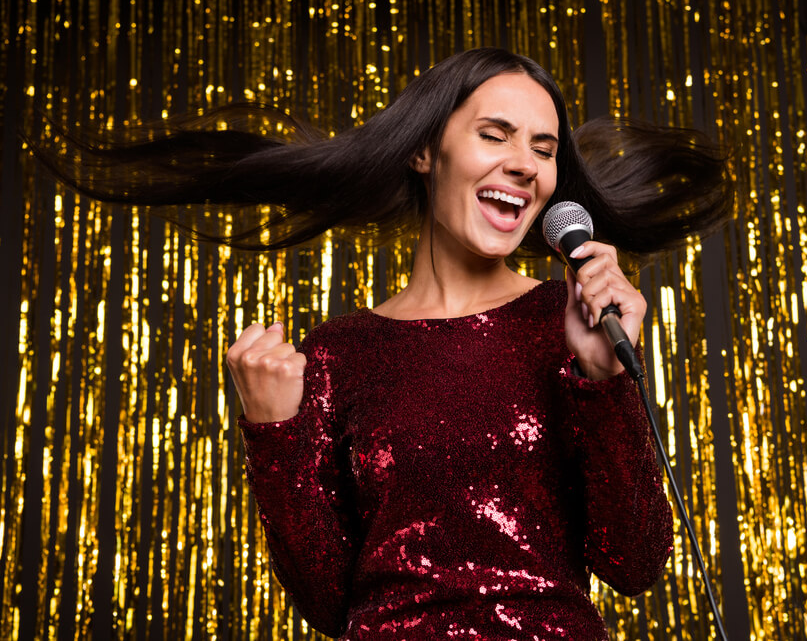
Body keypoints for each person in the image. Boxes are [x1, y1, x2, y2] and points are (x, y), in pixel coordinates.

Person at [30, 47, 729, 638]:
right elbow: (330, 603)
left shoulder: (569, 321)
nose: (525, 164)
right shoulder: (340, 351)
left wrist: (603, 379)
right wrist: (274, 435)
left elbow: (636, 562)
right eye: (497, 134)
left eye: (543, 149)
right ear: (426, 151)